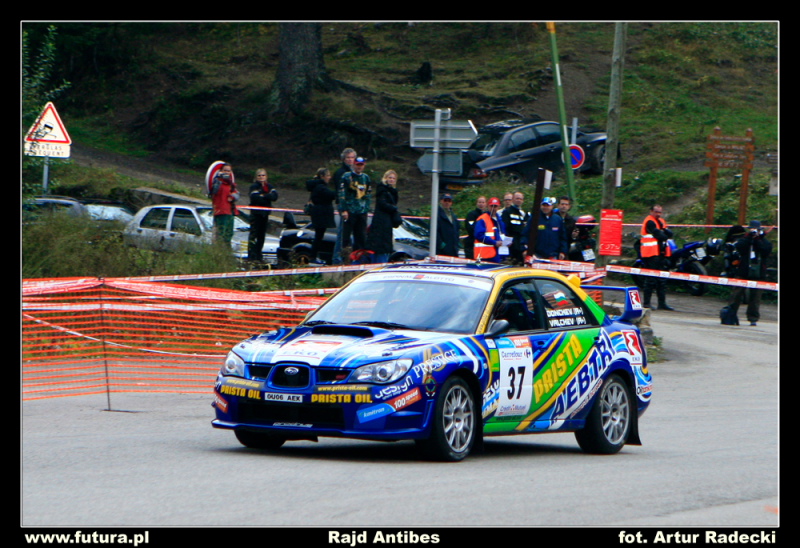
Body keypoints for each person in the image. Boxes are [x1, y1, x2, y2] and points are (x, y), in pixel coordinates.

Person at [720, 220, 773, 326]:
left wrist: (758, 239)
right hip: (743, 271)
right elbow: (739, 247)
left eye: (756, 230)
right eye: (752, 229)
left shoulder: (764, 241)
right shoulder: (744, 239)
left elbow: (765, 251)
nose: (754, 231)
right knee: (736, 294)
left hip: (759, 273)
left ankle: (753, 318)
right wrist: (750, 238)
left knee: (755, 297)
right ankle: (730, 315)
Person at [639, 204, 674, 310]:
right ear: (651, 211)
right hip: (651, 254)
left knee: (661, 279)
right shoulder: (650, 221)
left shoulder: (661, 221)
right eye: (656, 212)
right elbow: (661, 235)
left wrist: (664, 233)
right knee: (650, 279)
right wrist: (663, 234)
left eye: (660, 212)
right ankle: (646, 303)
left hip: (661, 253)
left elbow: (669, 234)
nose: (658, 214)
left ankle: (662, 303)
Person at [364, 169, 401, 264]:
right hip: (381, 221)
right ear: (385, 178)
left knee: (384, 246)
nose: (392, 180)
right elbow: (382, 204)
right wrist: (394, 209)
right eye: (390, 177)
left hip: (388, 222)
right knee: (380, 246)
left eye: (393, 178)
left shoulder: (393, 191)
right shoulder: (382, 190)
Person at [338, 156, 372, 257]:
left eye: (361, 165)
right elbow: (341, 193)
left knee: (361, 237)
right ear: (354, 165)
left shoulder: (366, 178)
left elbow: (368, 194)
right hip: (350, 211)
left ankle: (359, 258)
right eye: (357, 165)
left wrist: (366, 208)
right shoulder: (347, 176)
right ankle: (345, 258)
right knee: (346, 238)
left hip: (361, 212)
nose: (359, 167)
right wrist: (344, 209)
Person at [306, 167, 337, 264]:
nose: (329, 177)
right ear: (322, 176)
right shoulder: (320, 187)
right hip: (320, 215)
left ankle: (314, 256)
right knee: (318, 236)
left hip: (319, 214)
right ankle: (313, 256)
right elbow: (332, 195)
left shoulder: (318, 186)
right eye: (328, 175)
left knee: (319, 236)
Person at [332, 148, 358, 264]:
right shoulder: (340, 173)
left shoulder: (355, 172)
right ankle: (337, 258)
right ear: (344, 159)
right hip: (344, 205)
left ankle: (349, 257)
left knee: (351, 233)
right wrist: (343, 207)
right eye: (348, 157)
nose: (350, 160)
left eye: (352, 157)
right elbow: (340, 191)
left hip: (355, 205)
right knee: (342, 233)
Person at [246, 168, 278, 261]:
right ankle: (252, 255)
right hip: (256, 214)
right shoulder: (254, 187)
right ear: (256, 177)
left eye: (263, 175)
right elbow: (255, 198)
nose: (261, 177)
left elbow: (275, 196)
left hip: (265, 214)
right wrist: (266, 197)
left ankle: (259, 255)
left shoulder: (269, 186)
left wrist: (263, 195)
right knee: (254, 235)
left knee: (261, 236)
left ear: (266, 176)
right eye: (259, 175)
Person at [209, 162, 239, 245]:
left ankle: (226, 250)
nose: (227, 172)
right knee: (220, 234)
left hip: (230, 211)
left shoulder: (231, 184)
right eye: (225, 170)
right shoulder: (217, 182)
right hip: (221, 211)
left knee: (229, 234)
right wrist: (218, 178)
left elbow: (237, 194)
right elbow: (213, 191)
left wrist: (232, 197)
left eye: (228, 171)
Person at [473, 197, 507, 262]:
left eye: (495, 206)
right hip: (484, 255)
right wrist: (494, 242)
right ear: (488, 206)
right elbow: (479, 235)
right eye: (492, 206)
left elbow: (502, 234)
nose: (493, 208)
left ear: (498, 207)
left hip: (497, 254)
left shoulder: (500, 220)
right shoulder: (483, 219)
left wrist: (506, 242)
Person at [501, 191, 529, 264]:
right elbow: (504, 228)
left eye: (520, 199)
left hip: (521, 244)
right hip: (511, 244)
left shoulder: (524, 213)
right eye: (517, 198)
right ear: (513, 199)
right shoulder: (507, 212)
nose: (519, 200)